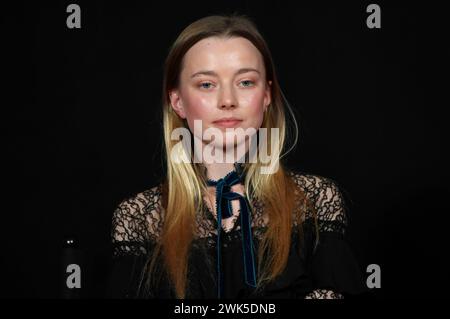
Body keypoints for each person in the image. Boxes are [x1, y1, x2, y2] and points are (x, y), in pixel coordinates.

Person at [107, 13, 367, 299]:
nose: (228, 100)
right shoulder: (140, 218)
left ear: (267, 95)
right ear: (178, 101)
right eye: (206, 84)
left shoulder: (315, 202)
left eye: (245, 82)